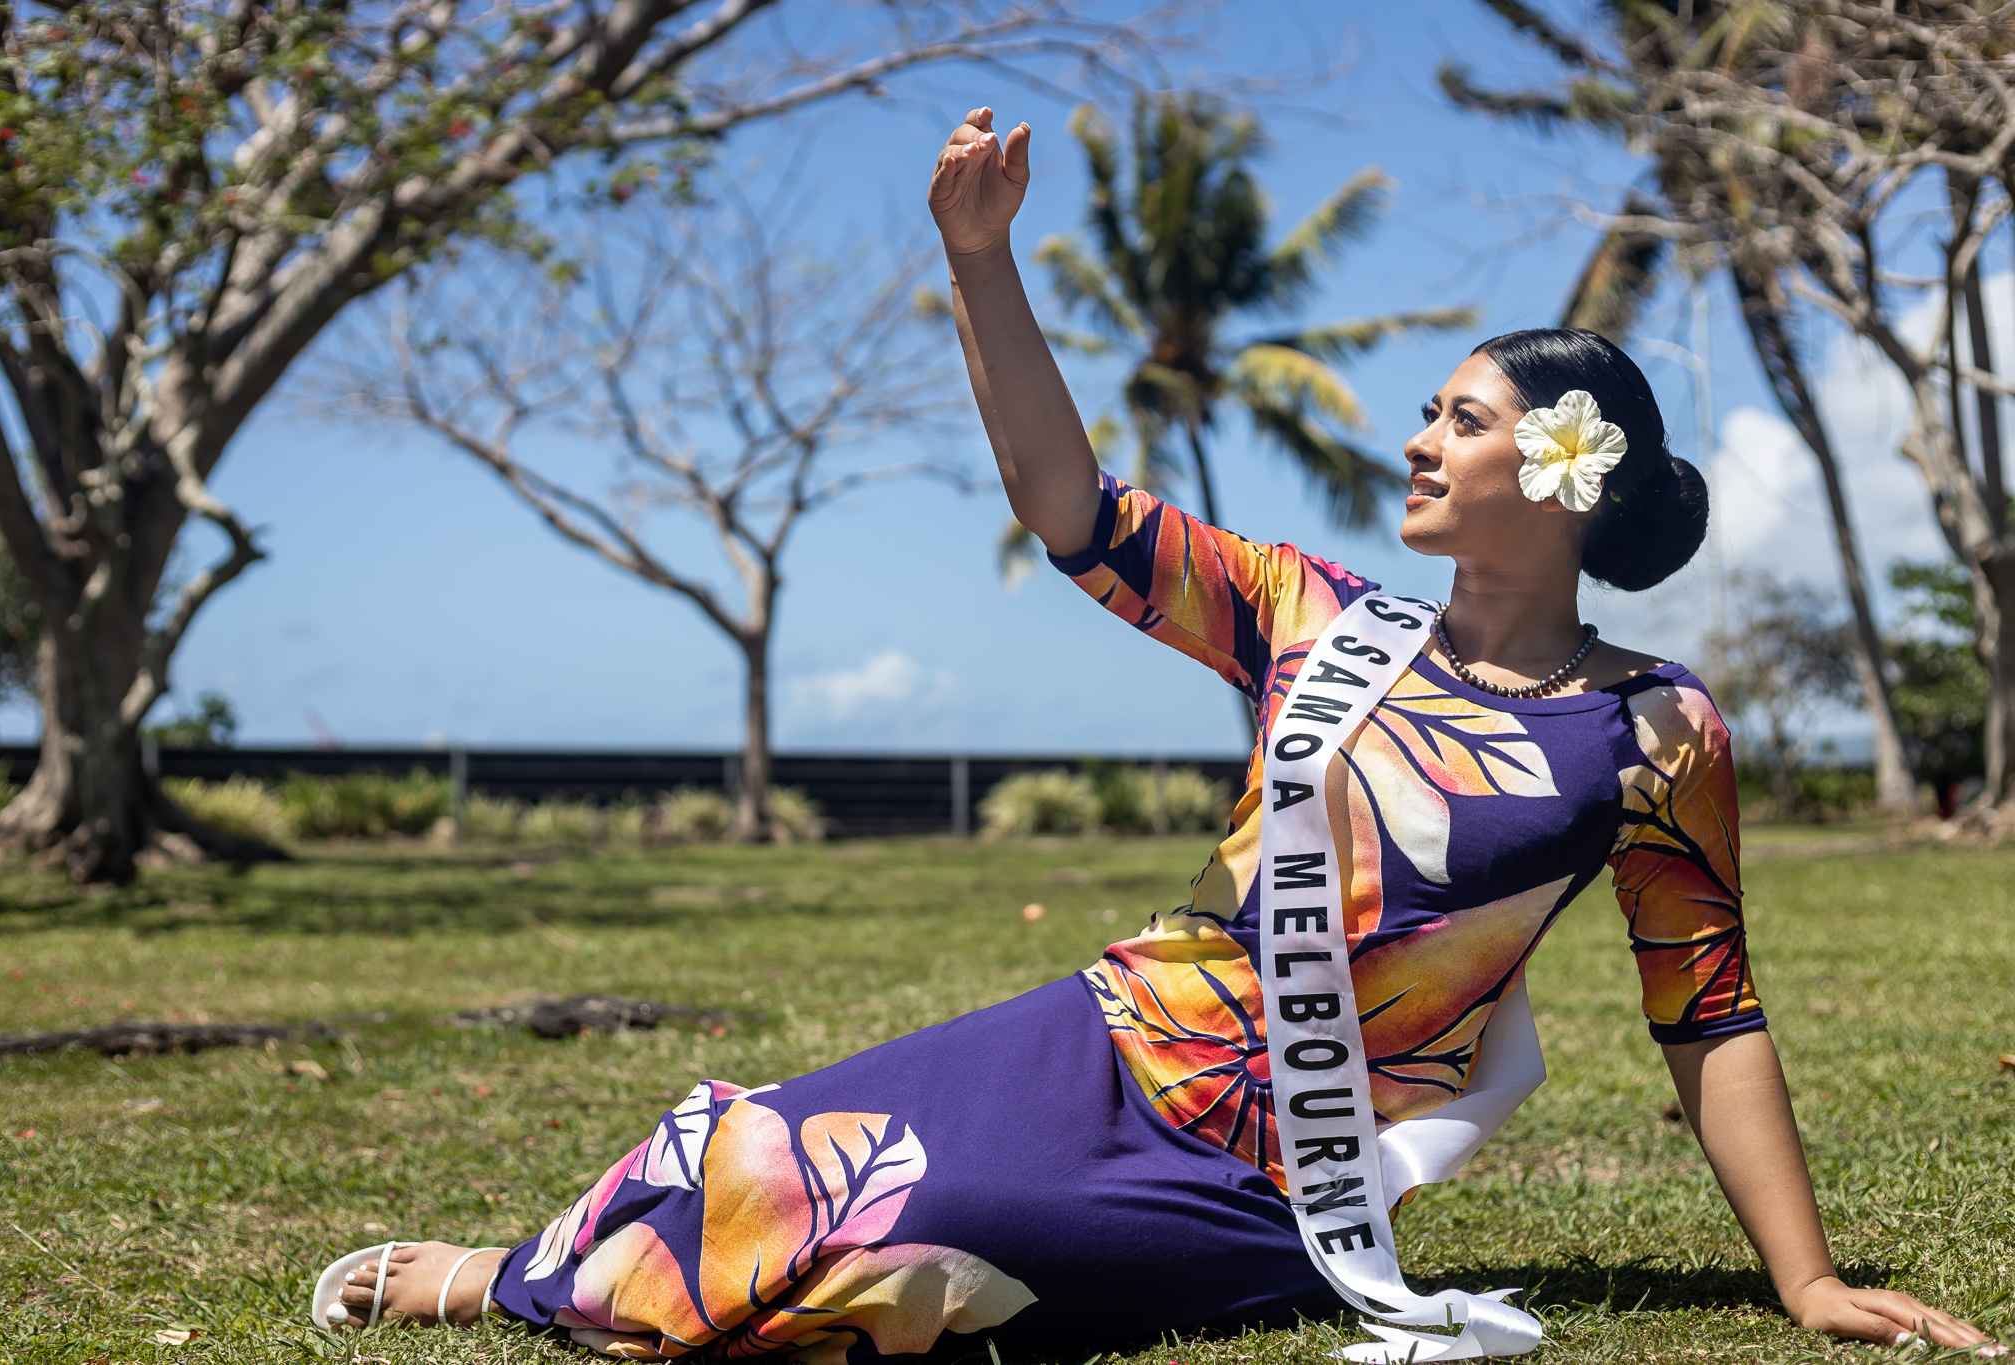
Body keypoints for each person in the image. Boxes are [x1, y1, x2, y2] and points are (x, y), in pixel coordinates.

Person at [314, 108, 2000, 1361]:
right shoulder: (1309, 612)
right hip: (1110, 1033)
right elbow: (1075, 507)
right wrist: (981, 263)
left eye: (1464, 419)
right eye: (1426, 409)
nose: (1419, 439)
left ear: (1564, 472)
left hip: (1288, 1167)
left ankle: (628, 1290)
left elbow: (1708, 1008)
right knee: (779, 1148)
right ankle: (515, 1271)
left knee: (918, 1248)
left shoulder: (1656, 728)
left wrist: (1802, 1278)